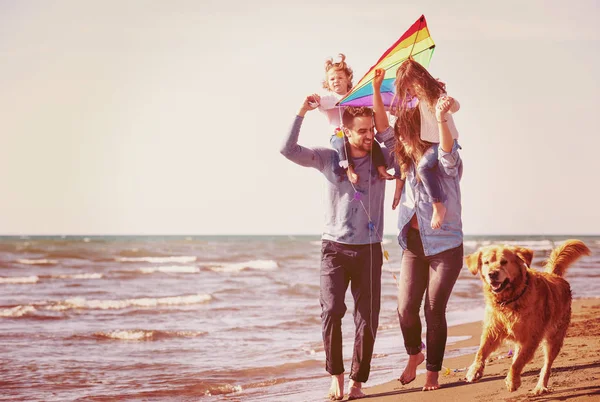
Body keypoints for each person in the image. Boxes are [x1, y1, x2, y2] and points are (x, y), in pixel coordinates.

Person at [280, 96, 395, 400]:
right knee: (331, 310)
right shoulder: (331, 159)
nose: (369, 135)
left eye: (371, 129)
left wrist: (383, 126)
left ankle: (358, 382)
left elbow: (400, 149)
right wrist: (301, 112)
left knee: (367, 318)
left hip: (369, 248)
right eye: (362, 131)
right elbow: (287, 150)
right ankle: (336, 375)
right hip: (334, 248)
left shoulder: (382, 158)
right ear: (346, 132)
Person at [372, 64, 464, 391]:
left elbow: (449, 151)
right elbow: (384, 131)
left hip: (445, 246)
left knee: (433, 309)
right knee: (406, 310)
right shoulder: (407, 159)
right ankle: (415, 353)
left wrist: (440, 118)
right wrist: (376, 90)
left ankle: (433, 373)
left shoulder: (446, 158)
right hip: (412, 242)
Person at [390, 59, 460, 229]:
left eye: (411, 87)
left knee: (423, 168)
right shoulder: (418, 101)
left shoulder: (436, 94)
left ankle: (438, 204)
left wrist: (449, 103)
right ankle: (438, 203)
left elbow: (455, 107)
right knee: (423, 167)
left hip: (444, 143)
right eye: (407, 89)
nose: (411, 92)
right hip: (432, 144)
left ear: (420, 80)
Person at [316, 53, 395, 184]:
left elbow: (372, 103)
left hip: (357, 133)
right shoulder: (329, 98)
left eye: (340, 77)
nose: (336, 81)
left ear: (348, 79)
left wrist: (389, 108)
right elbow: (321, 103)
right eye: (332, 79)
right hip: (338, 134)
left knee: (374, 143)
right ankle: (349, 169)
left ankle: (381, 168)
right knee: (341, 144)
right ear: (327, 84)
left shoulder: (356, 95)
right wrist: (314, 101)